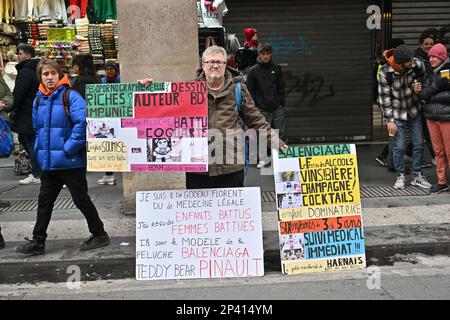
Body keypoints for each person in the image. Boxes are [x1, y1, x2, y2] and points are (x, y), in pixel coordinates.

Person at [139, 45, 287, 189]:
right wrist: (146, 90)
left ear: (225, 65)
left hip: (230, 166)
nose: (215, 65)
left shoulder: (238, 89)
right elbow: (162, 110)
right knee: (199, 213)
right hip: (197, 166)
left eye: (219, 62)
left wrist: (276, 141)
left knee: (230, 213)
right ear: (203, 65)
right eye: (211, 62)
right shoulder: (188, 90)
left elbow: (256, 120)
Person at [16, 59, 109, 255]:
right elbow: (38, 129)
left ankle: (99, 234)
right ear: (40, 77)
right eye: (45, 74)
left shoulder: (71, 96)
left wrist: (68, 149)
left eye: (52, 73)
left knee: (80, 199)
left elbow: (82, 124)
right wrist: (41, 153)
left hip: (70, 162)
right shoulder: (39, 99)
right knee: (44, 202)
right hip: (50, 163)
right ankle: (38, 241)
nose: (49, 77)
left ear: (59, 75)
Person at [378, 44, 432, 190]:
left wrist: (420, 88)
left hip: (414, 108)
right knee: (399, 145)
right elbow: (384, 98)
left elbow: (425, 81)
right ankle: (400, 176)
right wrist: (389, 120)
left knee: (418, 144)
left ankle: (417, 175)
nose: (412, 62)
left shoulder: (417, 64)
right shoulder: (385, 72)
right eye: (409, 61)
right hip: (396, 112)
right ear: (400, 63)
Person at [415, 43, 450, 194]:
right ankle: (441, 182)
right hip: (431, 117)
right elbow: (423, 94)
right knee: (438, 152)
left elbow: (442, 96)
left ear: (442, 57)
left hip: (447, 117)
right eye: (430, 57)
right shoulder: (430, 73)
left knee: (449, 152)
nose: (431, 59)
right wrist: (436, 88)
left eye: (435, 56)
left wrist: (431, 92)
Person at [247, 43, 286, 168]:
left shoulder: (277, 69)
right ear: (259, 55)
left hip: (277, 107)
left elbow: (281, 87)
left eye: (267, 54)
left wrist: (281, 102)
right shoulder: (253, 71)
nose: (265, 56)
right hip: (262, 108)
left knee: (281, 133)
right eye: (263, 54)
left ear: (271, 54)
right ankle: (264, 159)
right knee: (263, 135)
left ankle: (282, 158)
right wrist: (255, 107)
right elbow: (249, 91)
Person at [9, 44, 41, 185]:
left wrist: (10, 106)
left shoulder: (25, 71)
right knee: (28, 141)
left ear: (28, 56)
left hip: (26, 113)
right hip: (34, 112)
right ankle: (39, 172)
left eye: (20, 53)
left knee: (30, 143)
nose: (18, 56)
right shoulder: (37, 69)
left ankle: (37, 174)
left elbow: (19, 94)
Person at [98, 60, 121, 185]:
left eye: (111, 69)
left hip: (119, 115)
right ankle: (109, 174)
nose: (109, 71)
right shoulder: (102, 82)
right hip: (107, 116)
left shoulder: (120, 80)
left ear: (115, 70)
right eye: (107, 69)